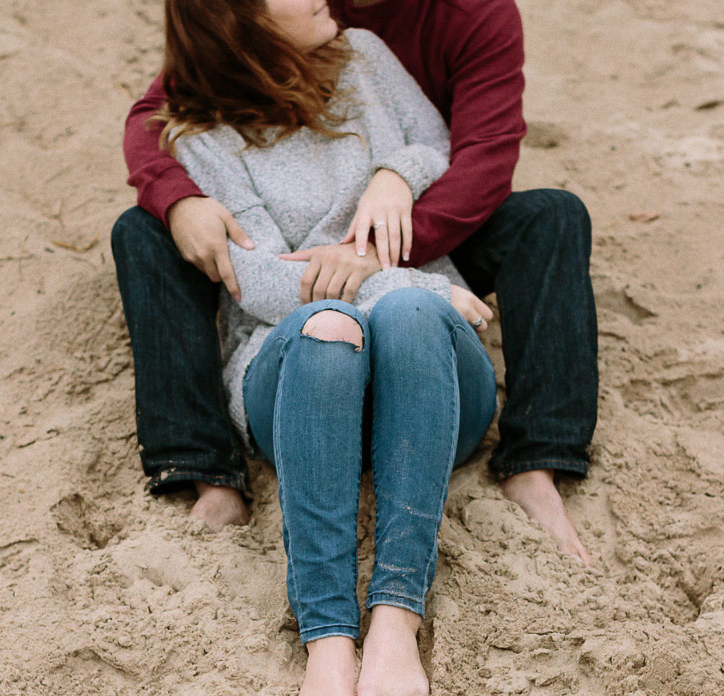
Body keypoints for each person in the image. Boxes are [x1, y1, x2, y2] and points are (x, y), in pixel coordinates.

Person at [118, 0, 501, 696]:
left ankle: (396, 617)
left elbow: (439, 142)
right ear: (239, 17)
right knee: (334, 329)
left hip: (430, 367)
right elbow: (256, 280)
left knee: (407, 323)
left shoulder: (363, 55)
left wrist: (395, 173)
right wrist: (402, 281)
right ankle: (329, 638)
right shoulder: (203, 138)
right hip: (294, 365)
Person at [113, 0, 601, 566]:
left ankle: (535, 464)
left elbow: (473, 152)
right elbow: (168, 105)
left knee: (552, 216)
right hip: (328, 312)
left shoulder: (413, 32)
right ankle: (206, 473)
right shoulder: (225, 103)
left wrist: (394, 183)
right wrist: (178, 199)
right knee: (142, 229)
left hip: (419, 232)